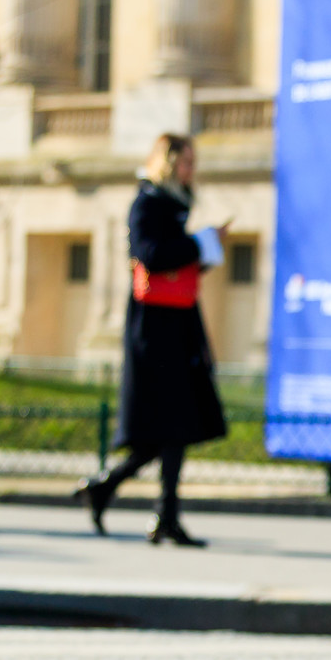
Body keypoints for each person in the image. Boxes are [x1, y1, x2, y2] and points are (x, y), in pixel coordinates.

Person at [74, 134, 228, 548]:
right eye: (187, 162)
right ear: (169, 162)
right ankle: (161, 513)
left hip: (177, 325)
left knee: (173, 427)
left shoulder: (175, 206)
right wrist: (198, 243)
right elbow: (151, 255)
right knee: (170, 426)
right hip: (155, 332)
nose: (192, 170)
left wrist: (203, 251)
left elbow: (174, 266)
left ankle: (116, 492)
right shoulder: (147, 203)